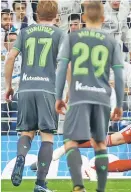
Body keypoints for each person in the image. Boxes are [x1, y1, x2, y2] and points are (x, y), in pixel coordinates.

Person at [55, 1, 125, 192]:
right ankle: (100, 190)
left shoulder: (72, 38)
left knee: (70, 141)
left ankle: (78, 186)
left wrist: (58, 97)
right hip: (102, 98)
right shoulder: (111, 41)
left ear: (83, 18)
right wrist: (119, 103)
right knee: (100, 143)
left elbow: (62, 68)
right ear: (103, 19)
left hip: (78, 97)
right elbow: (119, 74)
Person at [4, 1, 65, 191]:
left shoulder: (24, 32)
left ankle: (20, 158)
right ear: (56, 16)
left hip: (25, 89)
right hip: (48, 90)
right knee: (47, 137)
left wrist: (8, 86)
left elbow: (10, 58)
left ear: (37, 14)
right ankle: (40, 183)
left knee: (26, 132)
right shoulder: (60, 34)